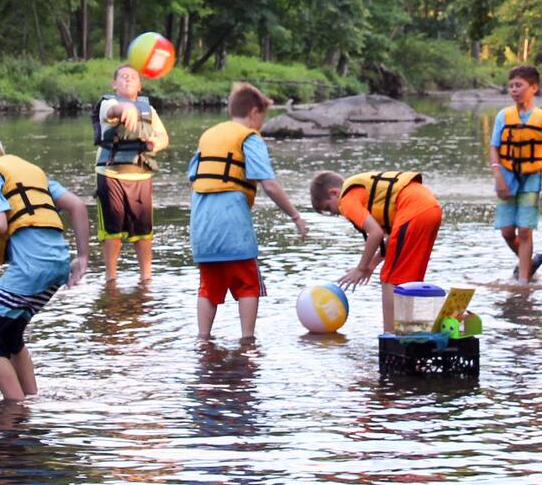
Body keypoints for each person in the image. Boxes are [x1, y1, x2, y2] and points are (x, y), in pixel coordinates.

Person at [0, 130, 90, 401]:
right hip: (58, 265)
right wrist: (83, 257)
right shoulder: (31, 172)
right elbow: (77, 206)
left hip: (32, 268)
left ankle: (15, 409)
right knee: (11, 337)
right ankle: (32, 401)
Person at [189, 82, 308, 341]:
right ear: (255, 112)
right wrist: (295, 216)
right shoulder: (249, 138)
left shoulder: (208, 136)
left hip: (201, 223)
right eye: (262, 117)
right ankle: (247, 341)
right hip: (232, 223)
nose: (262, 123)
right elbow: (269, 184)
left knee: (208, 288)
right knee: (247, 284)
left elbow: (193, 176)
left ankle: (203, 339)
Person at [310, 170, 442, 333]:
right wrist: (371, 265)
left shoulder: (346, 200)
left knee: (389, 279)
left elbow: (375, 233)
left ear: (334, 193)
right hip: (431, 209)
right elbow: (393, 240)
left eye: (329, 208)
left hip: (414, 211)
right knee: (409, 280)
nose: (335, 214)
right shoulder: (362, 194)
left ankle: (390, 336)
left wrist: (361, 268)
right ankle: (411, 332)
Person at [93, 64, 169, 283]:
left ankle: (146, 279)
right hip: (111, 174)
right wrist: (125, 110)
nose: (127, 80)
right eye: (123, 77)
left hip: (141, 175)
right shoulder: (108, 104)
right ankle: (111, 278)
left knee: (143, 233)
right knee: (112, 231)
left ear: (140, 86)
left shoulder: (149, 110)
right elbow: (113, 112)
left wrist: (156, 143)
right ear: (114, 84)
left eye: (133, 78)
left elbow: (164, 137)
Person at [489, 64, 542, 285]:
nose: (514, 90)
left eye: (519, 85)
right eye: (510, 86)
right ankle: (528, 262)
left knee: (525, 230)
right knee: (508, 232)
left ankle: (523, 282)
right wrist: (498, 177)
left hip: (531, 179)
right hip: (506, 178)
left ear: (533, 87)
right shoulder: (503, 116)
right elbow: (494, 148)